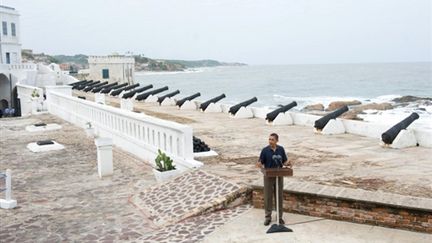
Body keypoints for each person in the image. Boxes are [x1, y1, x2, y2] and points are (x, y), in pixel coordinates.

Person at [256, 133, 291, 226]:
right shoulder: (265, 150)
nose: (270, 141)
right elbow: (260, 162)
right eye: (269, 139)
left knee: (279, 196)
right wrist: (259, 164)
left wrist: (288, 163)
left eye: (272, 140)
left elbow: (284, 162)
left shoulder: (281, 149)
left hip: (279, 176)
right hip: (268, 176)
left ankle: (279, 217)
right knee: (268, 197)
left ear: (277, 141)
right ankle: (268, 217)